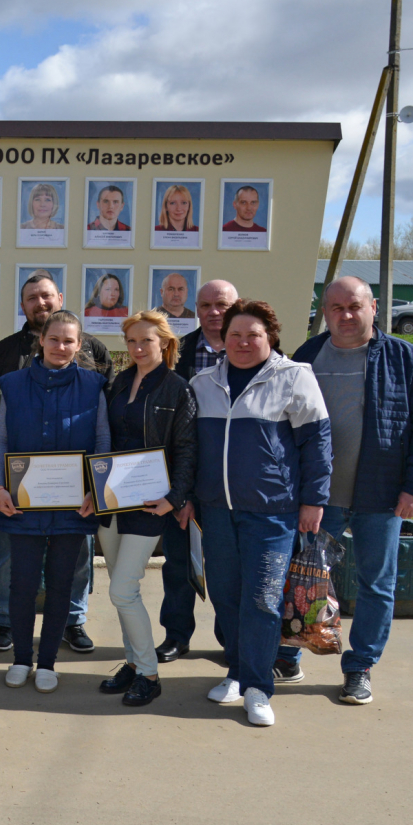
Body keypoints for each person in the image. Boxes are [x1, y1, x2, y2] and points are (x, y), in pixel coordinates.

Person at [277, 277, 413, 704]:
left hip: (382, 496)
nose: (346, 315)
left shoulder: (409, 361)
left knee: (377, 584)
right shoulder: (307, 356)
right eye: (336, 308)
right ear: (325, 312)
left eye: (354, 306)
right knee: (305, 580)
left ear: (374, 307)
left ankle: (360, 667)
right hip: (318, 498)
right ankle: (291, 656)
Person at [192, 300, 331, 727]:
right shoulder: (202, 382)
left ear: (269, 336)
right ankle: (235, 671)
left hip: (272, 514)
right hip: (216, 512)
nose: (242, 342)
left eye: (252, 335)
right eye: (235, 334)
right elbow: (191, 449)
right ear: (223, 337)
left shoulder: (293, 377)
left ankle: (257, 687)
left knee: (263, 600)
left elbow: (317, 443)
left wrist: (314, 500)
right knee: (226, 596)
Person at [0, 272, 109, 655]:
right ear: (40, 340)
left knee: (71, 570)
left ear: (79, 343)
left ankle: (73, 622)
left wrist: (97, 491)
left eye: (68, 340)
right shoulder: (7, 366)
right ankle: (7, 623)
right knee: (15, 570)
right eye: (53, 340)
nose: (60, 345)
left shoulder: (95, 374)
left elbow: (103, 437)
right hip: (22, 496)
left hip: (75, 497)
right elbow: (0, 437)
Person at [96, 312, 197, 706]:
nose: (138, 348)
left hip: (150, 503)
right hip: (111, 500)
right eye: (132, 341)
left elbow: (187, 449)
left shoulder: (177, 390)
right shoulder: (120, 382)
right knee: (120, 592)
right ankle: (134, 664)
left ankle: (150, 674)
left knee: (124, 589)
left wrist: (175, 497)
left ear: (165, 344)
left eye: (147, 341)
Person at [161, 278, 238, 661]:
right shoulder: (178, 353)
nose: (214, 313)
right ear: (196, 309)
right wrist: (180, 491)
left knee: (228, 568)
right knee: (179, 564)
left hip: (233, 484)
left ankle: (230, 638)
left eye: (222, 305)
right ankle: (176, 635)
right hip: (184, 481)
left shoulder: (259, 351)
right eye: (206, 305)